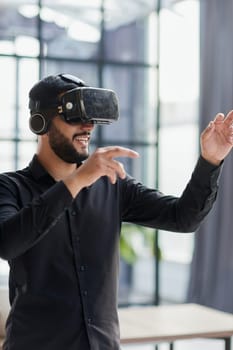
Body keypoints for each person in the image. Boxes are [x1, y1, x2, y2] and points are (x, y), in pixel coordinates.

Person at [0, 73, 233, 350]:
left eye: (92, 117)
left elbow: (183, 218)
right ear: (40, 122)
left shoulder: (112, 184)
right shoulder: (9, 187)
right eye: (75, 115)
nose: (87, 126)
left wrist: (210, 160)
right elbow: (6, 243)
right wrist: (75, 182)